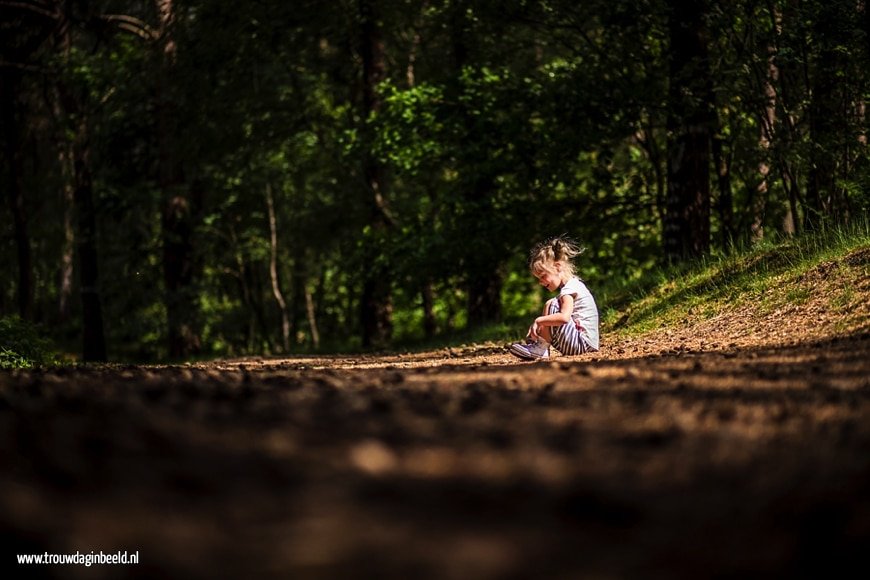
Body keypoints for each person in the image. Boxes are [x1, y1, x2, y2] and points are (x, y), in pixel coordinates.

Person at [509, 236, 599, 360]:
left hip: (581, 344)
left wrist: (539, 321)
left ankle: (541, 348)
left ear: (557, 267)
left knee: (552, 304)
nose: (540, 282)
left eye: (543, 276)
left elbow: (564, 318)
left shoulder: (569, 289)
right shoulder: (573, 285)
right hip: (584, 344)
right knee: (550, 304)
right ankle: (541, 347)